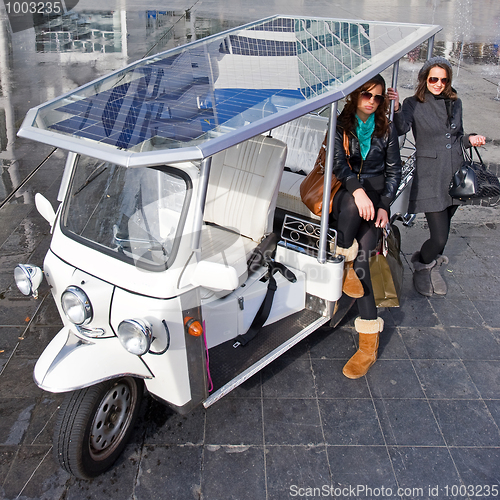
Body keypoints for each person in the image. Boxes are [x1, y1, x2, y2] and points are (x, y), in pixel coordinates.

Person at [388, 57, 486, 296]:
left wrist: (470, 139)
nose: (438, 83)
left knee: (445, 228)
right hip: (431, 175)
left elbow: (455, 137)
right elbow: (400, 128)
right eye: (434, 79)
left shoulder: (455, 102)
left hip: (455, 173)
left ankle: (429, 267)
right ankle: (422, 264)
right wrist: (398, 107)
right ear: (425, 79)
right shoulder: (413, 103)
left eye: (443, 79)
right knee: (439, 237)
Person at [331, 74, 402, 379]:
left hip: (374, 198)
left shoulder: (386, 129)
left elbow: (394, 171)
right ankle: (344, 264)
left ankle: (367, 346)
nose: (371, 102)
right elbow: (338, 163)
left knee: (365, 266)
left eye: (377, 97)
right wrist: (356, 190)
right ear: (354, 96)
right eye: (366, 95)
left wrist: (384, 204)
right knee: (349, 203)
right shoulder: (340, 123)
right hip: (347, 194)